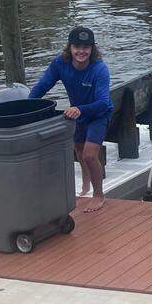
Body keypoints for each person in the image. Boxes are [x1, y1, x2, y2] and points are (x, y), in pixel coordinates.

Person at [29, 26, 113, 213]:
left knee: (90, 155)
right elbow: (42, 86)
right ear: (70, 47)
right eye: (77, 46)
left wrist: (80, 109)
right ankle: (85, 184)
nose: (81, 51)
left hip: (98, 113)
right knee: (79, 150)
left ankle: (99, 195)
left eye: (86, 47)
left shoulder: (100, 69)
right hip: (78, 113)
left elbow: (102, 103)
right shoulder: (60, 64)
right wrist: (26, 105)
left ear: (92, 49)